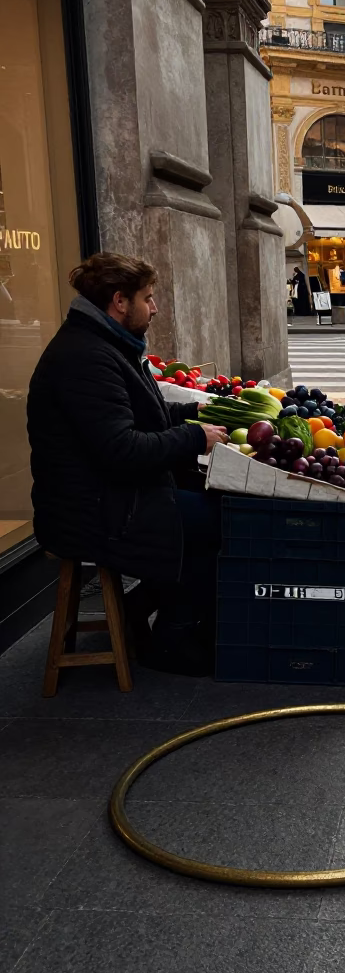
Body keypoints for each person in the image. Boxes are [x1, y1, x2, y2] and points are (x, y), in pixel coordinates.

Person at [27, 253, 230, 675]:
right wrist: (194, 437)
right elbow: (122, 450)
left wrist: (198, 414)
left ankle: (138, 607)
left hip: (110, 496)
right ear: (120, 301)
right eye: (148, 298)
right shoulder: (86, 358)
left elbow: (143, 416)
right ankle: (174, 639)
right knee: (221, 521)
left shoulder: (105, 344)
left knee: (210, 506)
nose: (154, 308)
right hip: (92, 510)